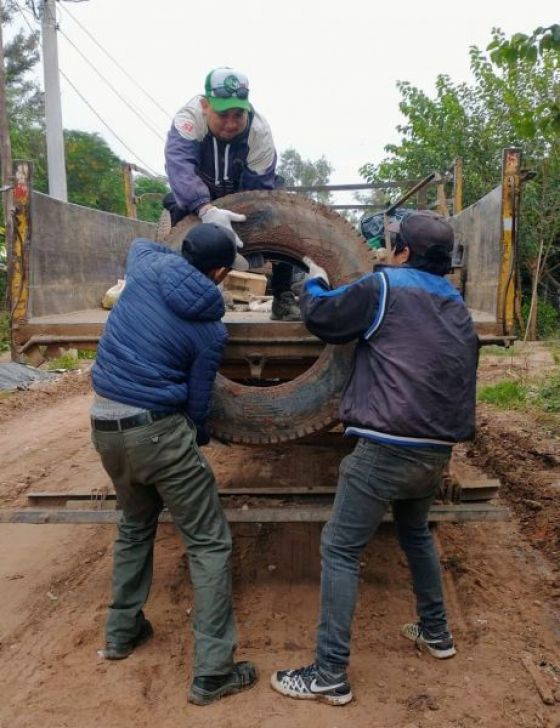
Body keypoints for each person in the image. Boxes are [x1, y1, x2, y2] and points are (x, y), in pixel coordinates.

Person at [270, 210, 478, 706]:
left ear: (402, 252)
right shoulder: (457, 305)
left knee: (341, 549)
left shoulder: (384, 286)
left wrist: (313, 284)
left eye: (392, 246)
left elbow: (324, 318)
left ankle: (328, 674)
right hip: (436, 449)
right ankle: (437, 633)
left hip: (386, 446)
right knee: (415, 534)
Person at [90, 223, 257, 706]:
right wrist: (198, 438)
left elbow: (141, 243)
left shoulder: (145, 267)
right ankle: (213, 672)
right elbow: (199, 401)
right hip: (157, 429)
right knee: (207, 543)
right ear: (222, 272)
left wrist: (205, 218)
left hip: (103, 422)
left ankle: (121, 634)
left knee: (135, 526)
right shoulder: (210, 328)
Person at [163, 66, 299, 321]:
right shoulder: (189, 119)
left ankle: (283, 295)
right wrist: (205, 208)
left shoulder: (259, 132)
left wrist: (253, 239)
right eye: (223, 114)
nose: (231, 123)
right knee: (180, 212)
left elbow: (257, 189)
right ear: (205, 106)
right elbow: (179, 167)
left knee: (282, 213)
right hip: (201, 190)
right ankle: (193, 292)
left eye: (238, 114)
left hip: (244, 187)